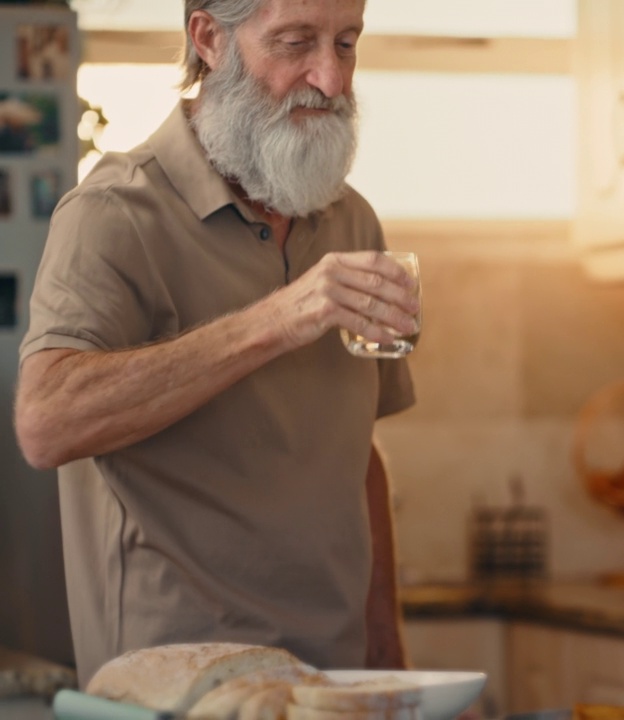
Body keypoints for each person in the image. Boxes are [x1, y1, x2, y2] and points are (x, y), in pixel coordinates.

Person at [14, 0, 418, 686]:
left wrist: (388, 655)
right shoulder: (112, 214)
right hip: (174, 690)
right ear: (208, 38)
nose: (332, 78)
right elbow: (45, 423)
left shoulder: (352, 219)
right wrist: (276, 320)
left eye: (346, 44)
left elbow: (357, 457)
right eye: (295, 43)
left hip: (337, 687)